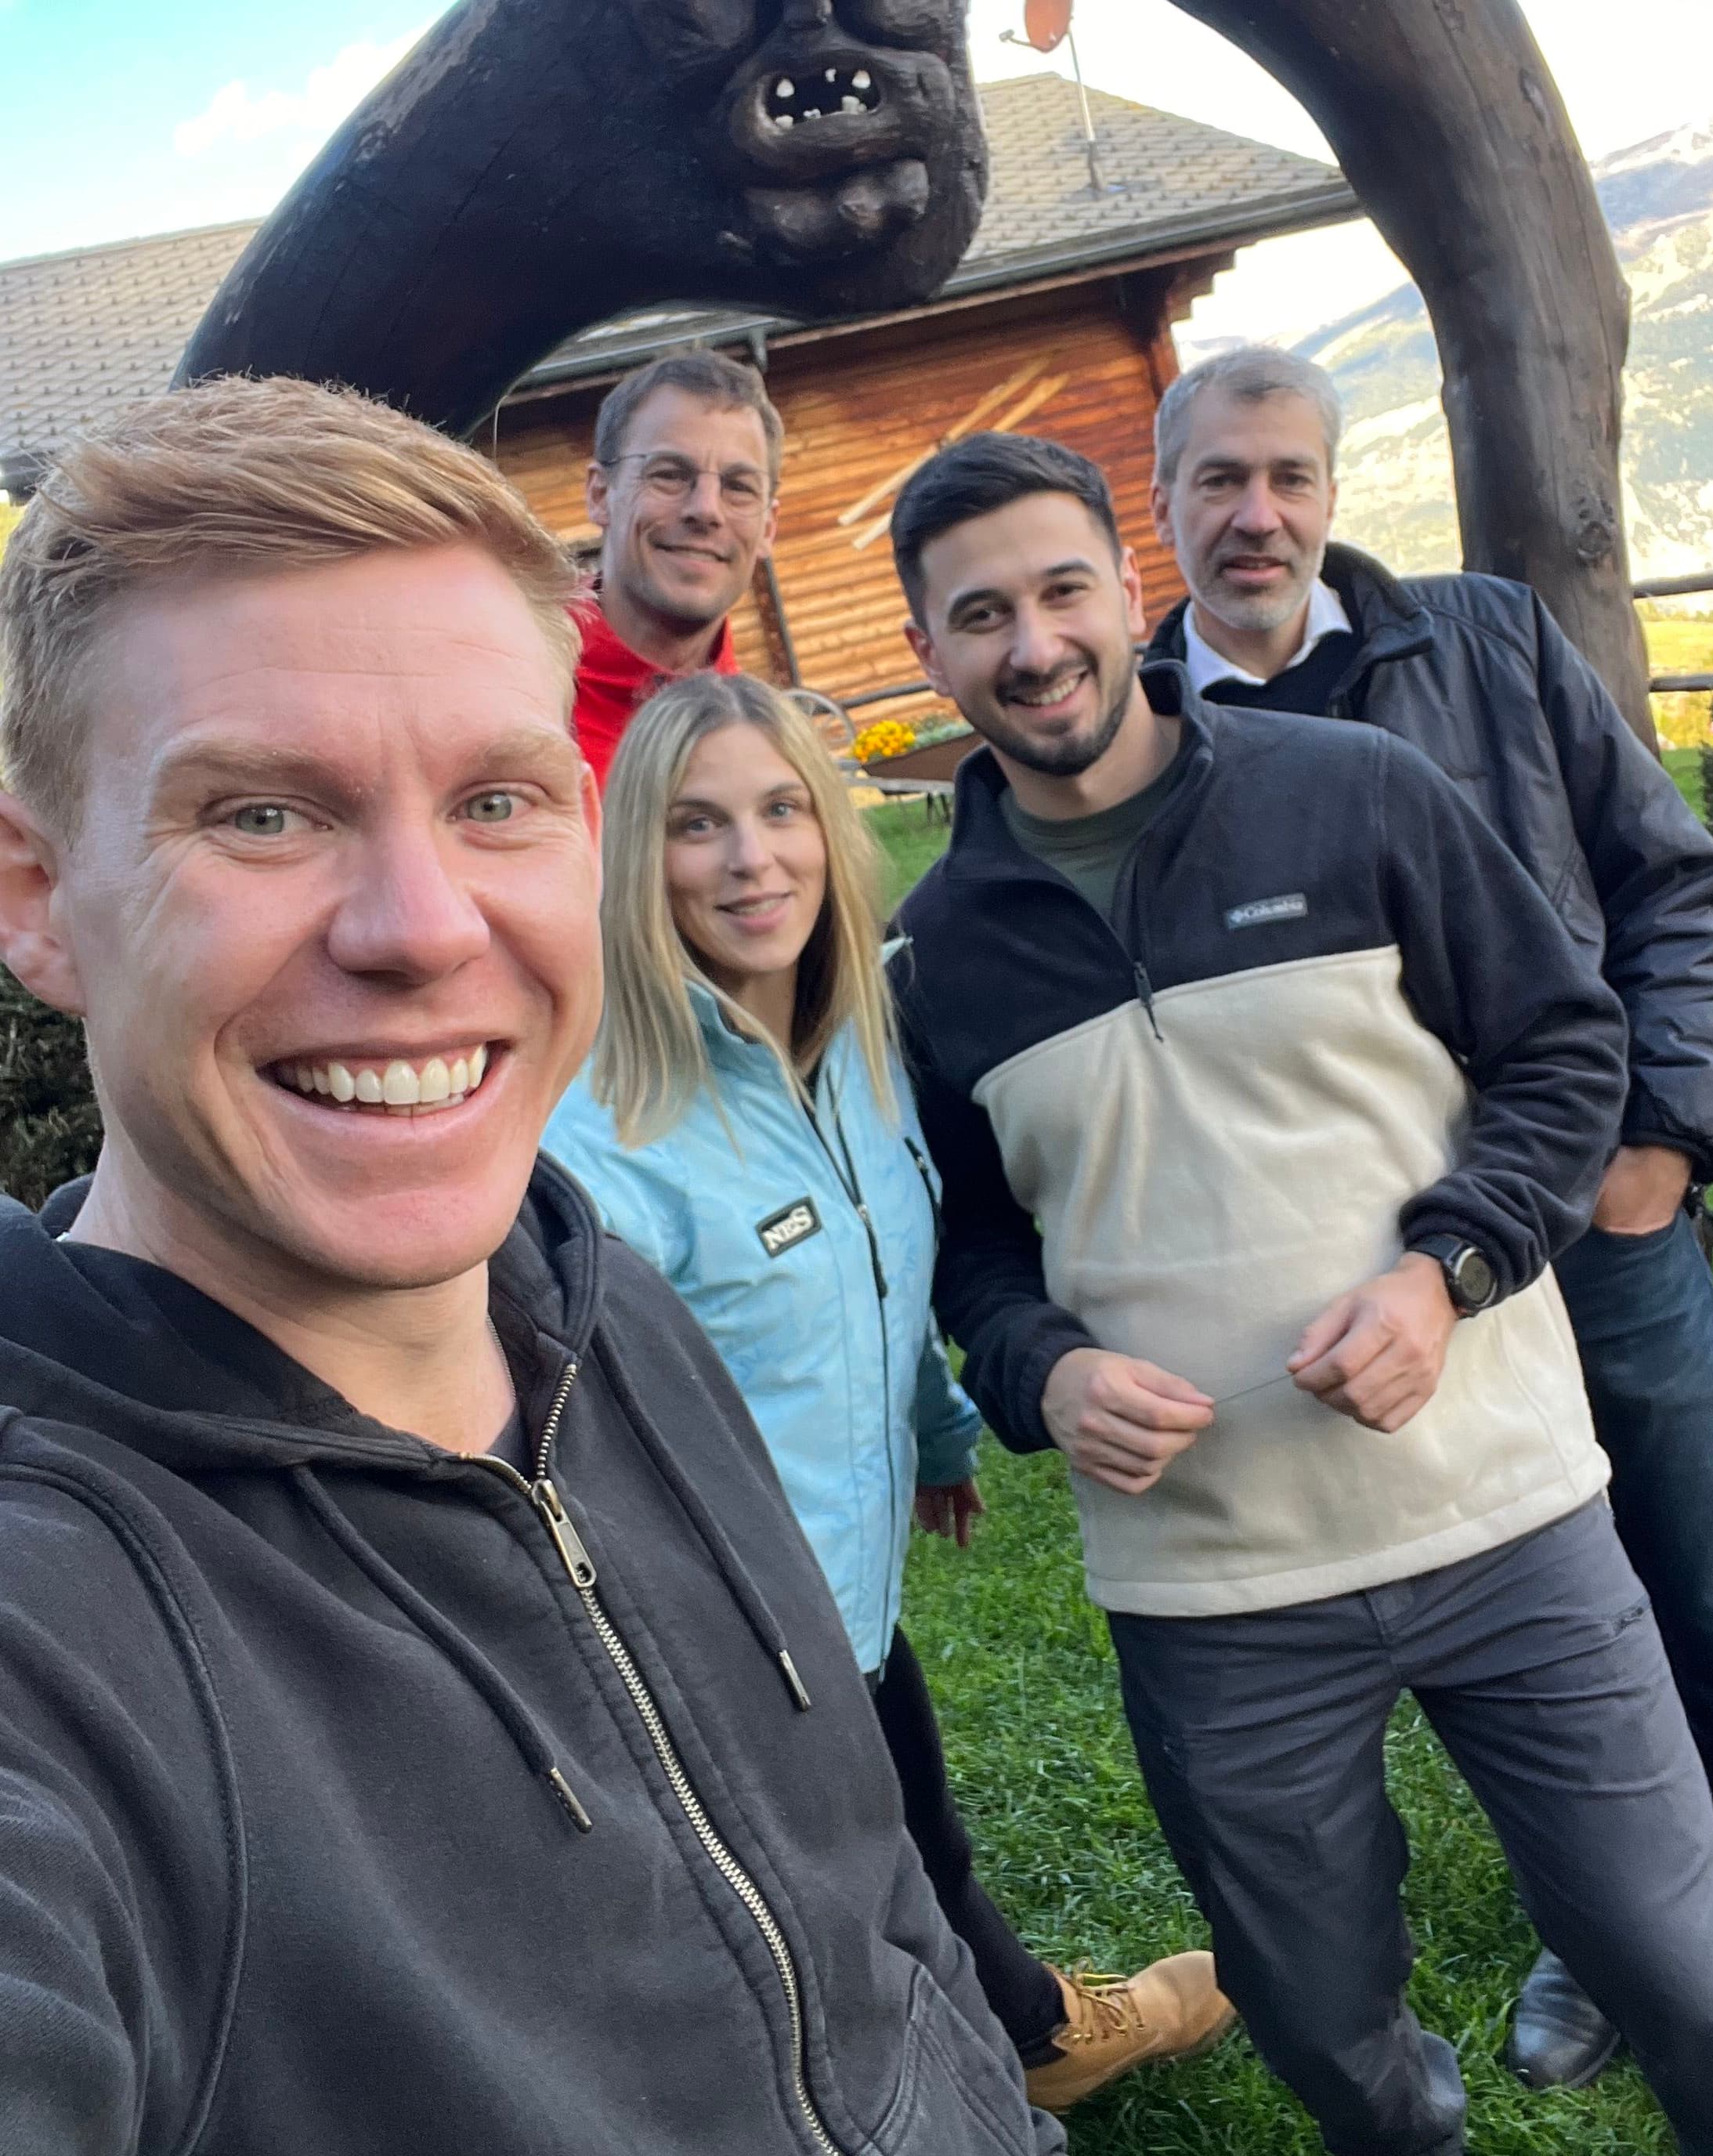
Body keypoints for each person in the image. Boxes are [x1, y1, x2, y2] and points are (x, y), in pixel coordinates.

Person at [0, 377, 1063, 2156]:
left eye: (496, 800)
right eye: (260, 814)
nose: (420, 927)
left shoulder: (606, 1307)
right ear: (36, 898)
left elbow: (864, 1896)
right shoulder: (57, 1643)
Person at [885, 428, 1713, 2156]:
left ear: (1123, 589)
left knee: (1702, 1985)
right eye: (979, 613)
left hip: (1506, 1515)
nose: (1032, 643)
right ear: (931, 654)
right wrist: (1042, 1372)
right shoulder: (939, 955)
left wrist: (1446, 1264)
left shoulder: (1352, 791)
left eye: (1062, 588)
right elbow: (972, 1249)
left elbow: (1560, 1040)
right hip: (1214, 1592)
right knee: (1325, 2033)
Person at [1144, 342, 1713, 2086]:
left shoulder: (1496, 644)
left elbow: (1672, 887)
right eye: (1221, 478)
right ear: (1166, 499)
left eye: (1288, 474)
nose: (1258, 512)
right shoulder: (1142, 741)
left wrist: (1662, 1139)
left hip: (1596, 1233)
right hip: (1375, 1286)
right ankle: (1609, 1944)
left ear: (1332, 491)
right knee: (1537, 1648)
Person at [542, 669, 1232, 2114]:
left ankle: (1022, 2035)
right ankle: (998, 2058)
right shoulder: (603, 1129)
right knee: (836, 1906)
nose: (751, 859)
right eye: (697, 824)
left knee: (912, 1829)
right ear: (635, 857)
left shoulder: (863, 1049)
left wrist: (932, 1428)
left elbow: (881, 1251)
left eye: (783, 809)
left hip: (840, 1593)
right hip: (717, 1639)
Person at [571, 349, 780, 786]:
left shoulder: (775, 753)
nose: (706, 510)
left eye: (739, 487)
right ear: (600, 494)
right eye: (669, 474)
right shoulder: (510, 702)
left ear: (768, 527)